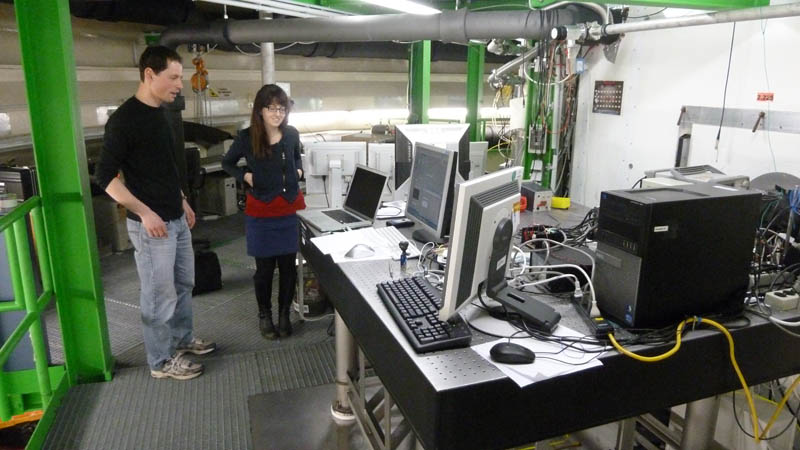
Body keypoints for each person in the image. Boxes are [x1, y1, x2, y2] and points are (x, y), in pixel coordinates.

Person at [95, 46, 216, 380]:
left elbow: (164, 168)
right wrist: (145, 213)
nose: (180, 84)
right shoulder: (123, 121)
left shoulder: (161, 114)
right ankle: (160, 361)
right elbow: (104, 178)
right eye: (173, 77)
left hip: (175, 219)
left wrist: (182, 200)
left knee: (182, 285)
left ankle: (181, 339)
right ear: (150, 75)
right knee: (158, 295)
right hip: (152, 227)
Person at [222, 84, 304, 340]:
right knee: (265, 269)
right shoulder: (246, 137)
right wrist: (245, 175)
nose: (278, 113)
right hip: (262, 211)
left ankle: (283, 315)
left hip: (289, 208)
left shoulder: (291, 134)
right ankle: (264, 314)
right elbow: (228, 163)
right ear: (260, 110)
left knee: (288, 268)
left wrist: (298, 171)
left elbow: (297, 157)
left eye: (282, 108)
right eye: (272, 108)